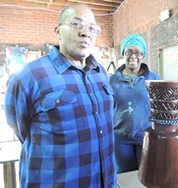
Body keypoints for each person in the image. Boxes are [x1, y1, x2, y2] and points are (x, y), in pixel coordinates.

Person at [4, 3, 116, 187]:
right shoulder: (30, 76)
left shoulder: (100, 73)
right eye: (76, 24)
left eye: (92, 28)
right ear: (58, 31)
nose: (85, 33)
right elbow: (20, 128)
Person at [109, 34, 161, 173]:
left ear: (143, 55)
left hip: (146, 136)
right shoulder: (112, 81)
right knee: (125, 175)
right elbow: (107, 109)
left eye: (138, 52)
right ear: (123, 54)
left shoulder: (154, 79)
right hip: (120, 139)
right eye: (129, 52)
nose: (133, 56)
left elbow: (161, 107)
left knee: (147, 173)